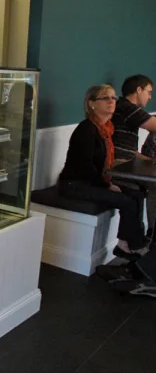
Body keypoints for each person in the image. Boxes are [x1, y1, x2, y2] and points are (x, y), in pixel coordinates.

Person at [59, 85, 147, 260]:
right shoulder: (86, 130)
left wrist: (109, 182)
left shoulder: (107, 129)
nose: (111, 102)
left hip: (92, 181)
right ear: (92, 104)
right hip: (75, 184)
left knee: (137, 193)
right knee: (127, 201)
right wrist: (108, 185)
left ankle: (126, 242)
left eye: (114, 98)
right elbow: (86, 167)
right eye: (105, 98)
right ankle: (131, 246)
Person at [111, 74, 154, 161]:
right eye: (149, 92)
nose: (150, 97)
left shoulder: (123, 106)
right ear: (139, 90)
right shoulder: (127, 108)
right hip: (119, 163)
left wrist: (150, 161)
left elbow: (130, 151)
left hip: (124, 162)